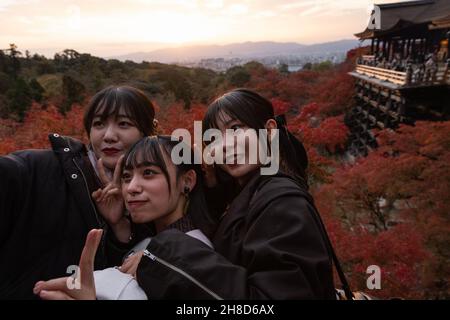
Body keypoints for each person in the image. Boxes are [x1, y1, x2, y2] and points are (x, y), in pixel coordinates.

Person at [34, 88, 336, 300]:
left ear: (269, 130)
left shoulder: (281, 200)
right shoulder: (238, 196)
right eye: (214, 138)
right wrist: (122, 231)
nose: (225, 145)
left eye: (236, 129)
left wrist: (163, 260)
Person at [0, 85, 156, 299]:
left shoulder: (151, 194)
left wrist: (119, 227)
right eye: (99, 124)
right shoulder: (42, 168)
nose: (109, 136)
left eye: (124, 124)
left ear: (146, 133)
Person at [33, 136, 215, 300]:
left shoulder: (194, 254)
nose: (131, 187)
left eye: (149, 173)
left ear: (187, 181)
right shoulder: (154, 244)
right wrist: (118, 225)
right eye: (127, 177)